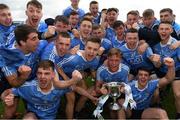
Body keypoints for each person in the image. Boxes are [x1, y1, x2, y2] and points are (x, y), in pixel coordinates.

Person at [1, 60, 97, 119]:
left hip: (50, 117)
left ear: (53, 75)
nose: (42, 77)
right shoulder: (28, 87)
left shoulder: (59, 87)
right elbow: (7, 92)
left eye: (47, 73)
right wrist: (7, 98)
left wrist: (91, 97)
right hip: (33, 115)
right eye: (40, 73)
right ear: (36, 74)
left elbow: (76, 89)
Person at [0, 24, 48, 118]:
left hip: (33, 81)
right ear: (22, 42)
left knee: (33, 110)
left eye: (37, 37)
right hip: (15, 81)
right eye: (34, 39)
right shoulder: (7, 57)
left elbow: (52, 41)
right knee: (10, 111)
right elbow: (14, 82)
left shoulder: (40, 44)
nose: (38, 41)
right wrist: (24, 76)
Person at [56, 36, 101, 119]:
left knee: (84, 87)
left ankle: (77, 112)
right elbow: (57, 66)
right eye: (89, 48)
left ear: (98, 51)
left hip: (74, 75)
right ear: (85, 47)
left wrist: (98, 83)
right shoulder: (74, 58)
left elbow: (92, 71)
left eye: (95, 50)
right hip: (60, 75)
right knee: (71, 97)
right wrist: (66, 79)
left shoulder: (95, 60)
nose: (91, 52)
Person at [153, 21, 180, 119]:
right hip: (162, 72)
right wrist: (156, 62)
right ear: (158, 30)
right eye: (161, 29)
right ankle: (158, 106)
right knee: (154, 89)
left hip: (177, 70)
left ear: (171, 30)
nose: (164, 31)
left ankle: (178, 115)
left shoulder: (176, 44)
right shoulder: (155, 46)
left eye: (167, 29)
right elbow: (157, 65)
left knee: (178, 94)